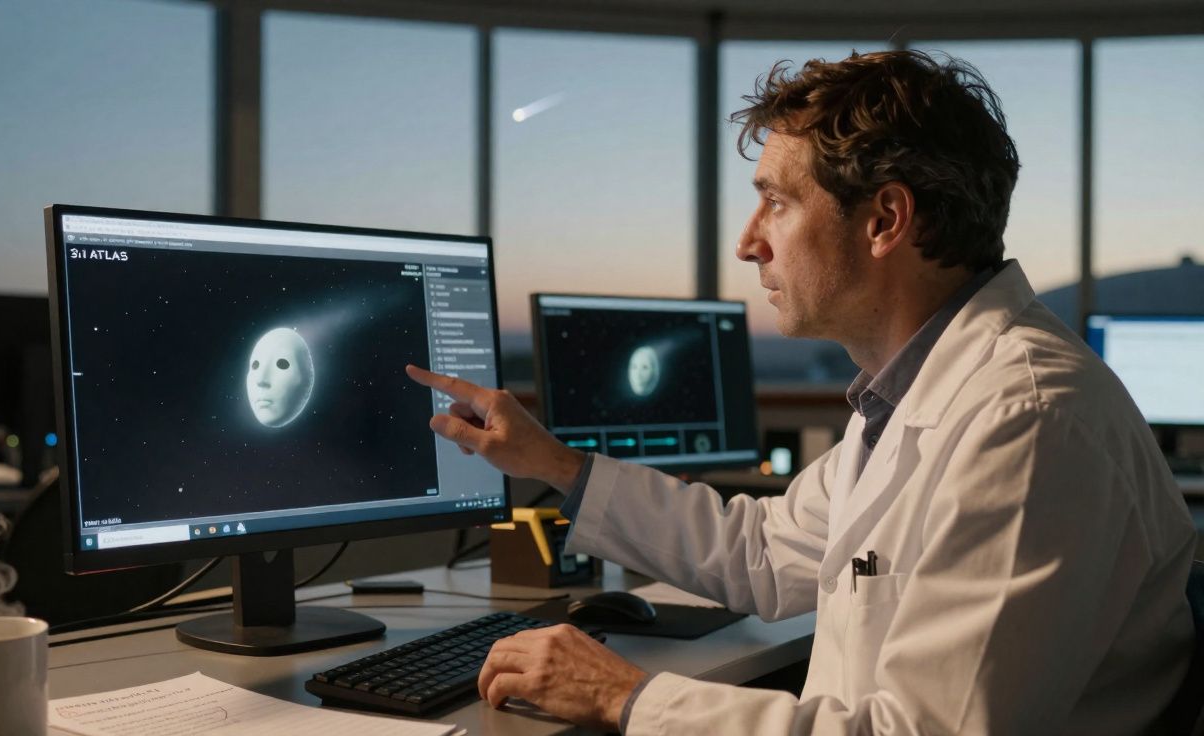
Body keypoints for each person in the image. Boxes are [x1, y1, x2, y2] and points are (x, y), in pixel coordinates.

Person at [407, 49, 1196, 734]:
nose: (748, 241)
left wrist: (631, 699)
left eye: (776, 202)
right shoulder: (910, 397)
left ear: (886, 219)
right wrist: (555, 464)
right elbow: (758, 550)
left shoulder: (1026, 419)